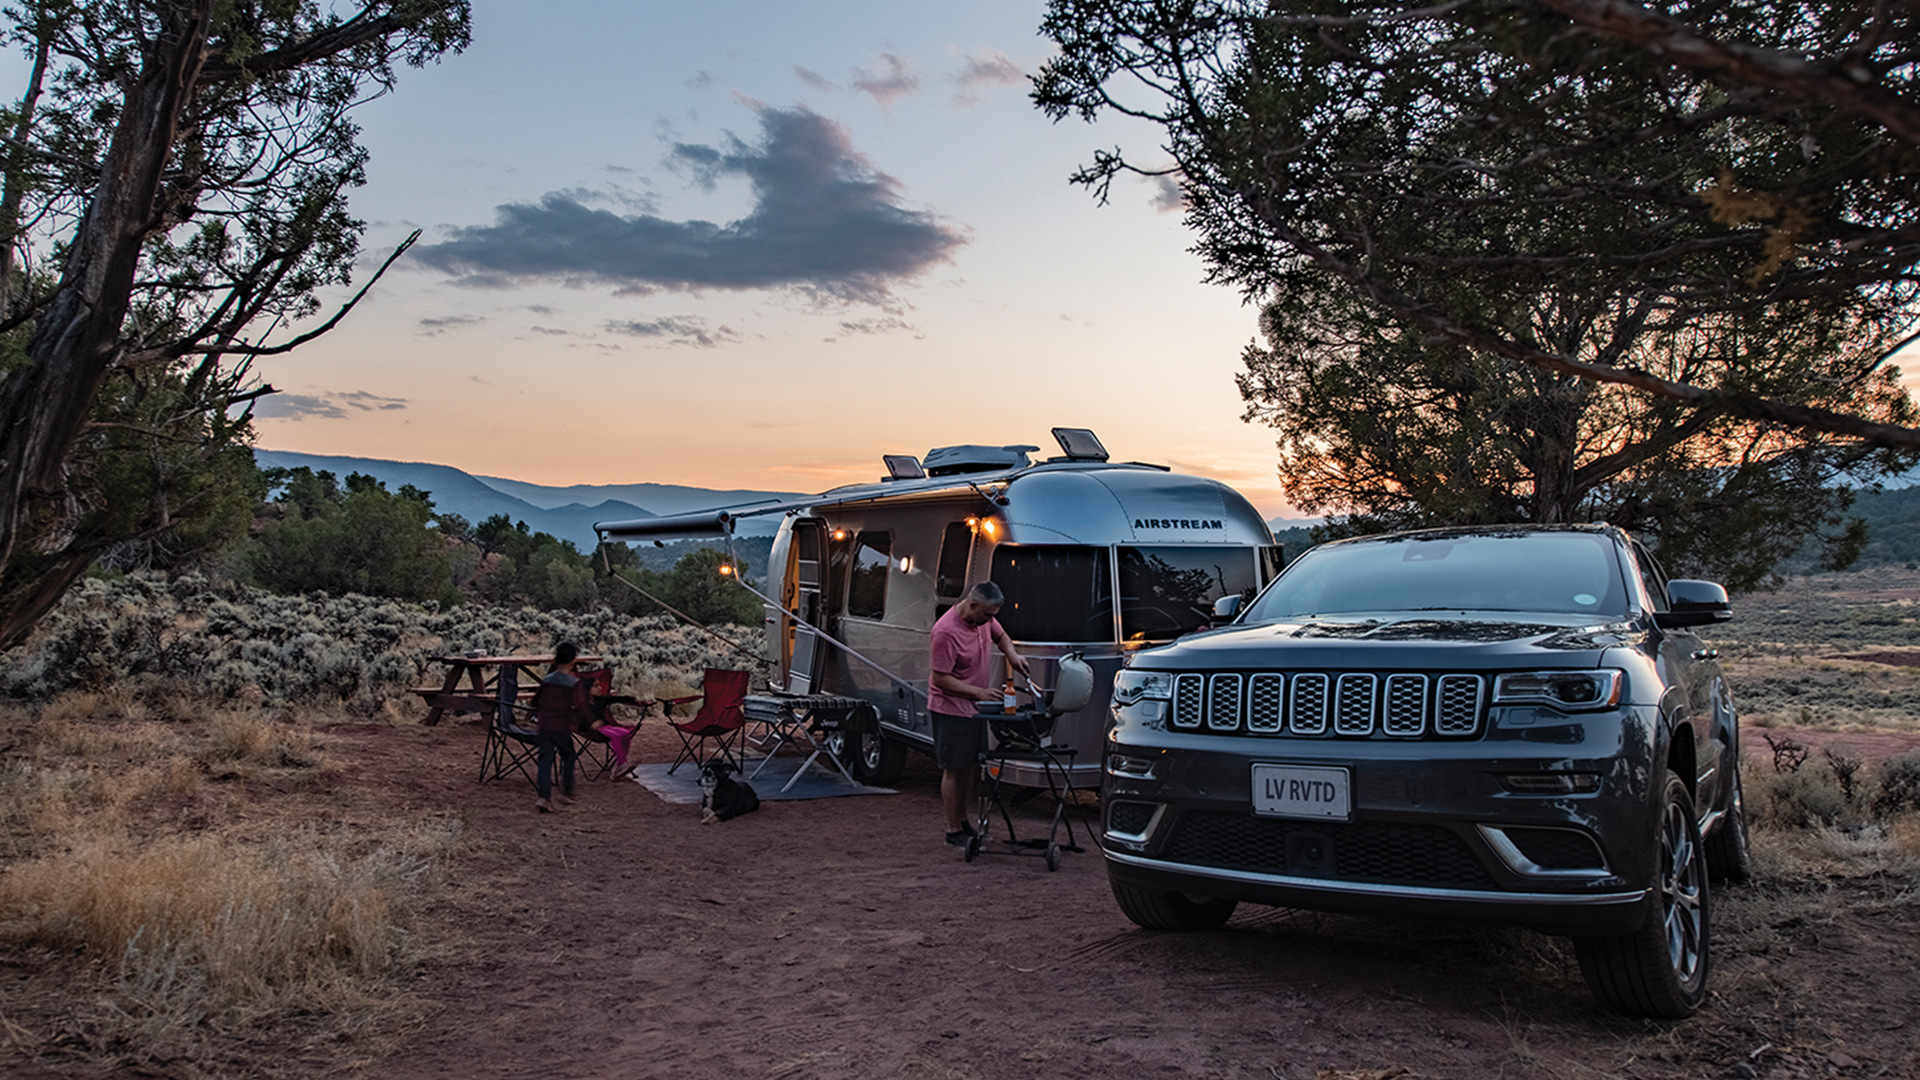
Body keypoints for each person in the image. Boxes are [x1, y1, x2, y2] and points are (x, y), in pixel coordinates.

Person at [927, 581, 1029, 848]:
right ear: (972, 605)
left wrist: (1013, 656)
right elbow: (940, 679)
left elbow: (1001, 635)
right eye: (986, 614)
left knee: (970, 765)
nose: (990, 620)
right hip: (950, 708)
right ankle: (952, 830)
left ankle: (963, 821)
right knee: (954, 768)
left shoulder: (983, 620)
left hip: (973, 710)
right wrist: (979, 693)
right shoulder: (946, 632)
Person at [532, 641, 595, 812]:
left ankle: (543, 797)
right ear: (572, 661)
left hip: (544, 725)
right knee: (568, 755)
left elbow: (534, 701)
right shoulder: (573, 682)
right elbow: (581, 705)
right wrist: (590, 722)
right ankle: (567, 791)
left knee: (545, 760)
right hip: (560, 726)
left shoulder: (547, 680)